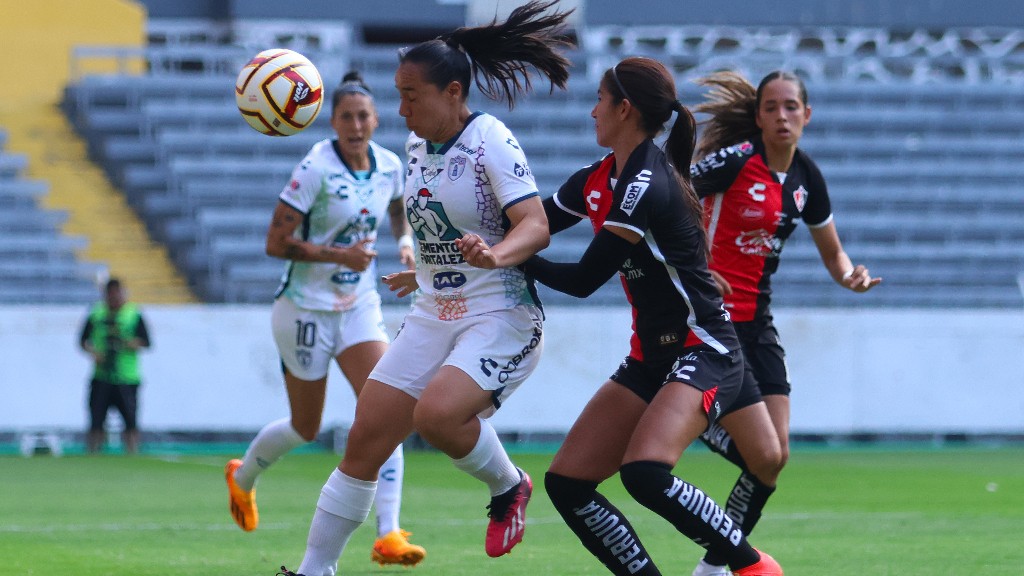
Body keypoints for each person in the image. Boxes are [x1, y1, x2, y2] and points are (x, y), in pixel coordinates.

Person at [277, 2, 572, 574]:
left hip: (499, 312)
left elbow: (533, 225)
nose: (401, 107)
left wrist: (495, 254)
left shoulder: (490, 138)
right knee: (364, 440)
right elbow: (441, 226)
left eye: (412, 94)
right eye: (399, 92)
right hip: (435, 307)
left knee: (438, 417)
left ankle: (509, 485)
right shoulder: (416, 148)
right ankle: (314, 571)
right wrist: (426, 270)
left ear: (453, 92)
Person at [520, 57, 784, 575]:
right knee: (568, 483)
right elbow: (531, 223)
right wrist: (469, 245)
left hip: (703, 350)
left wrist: (514, 260)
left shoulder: (644, 181)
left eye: (599, 99)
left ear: (624, 108)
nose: (591, 111)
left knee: (645, 472)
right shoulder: (595, 179)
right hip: (652, 356)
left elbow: (582, 280)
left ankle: (754, 568)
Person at [223, 71, 423, 566]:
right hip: (304, 309)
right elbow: (275, 244)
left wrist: (403, 245)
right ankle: (242, 477)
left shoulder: (390, 165)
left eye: (363, 115)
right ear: (331, 121)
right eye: (346, 117)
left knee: (389, 409)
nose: (356, 124)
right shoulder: (315, 167)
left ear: (375, 119)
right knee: (306, 426)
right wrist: (339, 255)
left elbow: (398, 208)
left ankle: (390, 533)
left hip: (358, 306)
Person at [687, 70, 881, 576]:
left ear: (806, 115)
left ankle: (712, 567)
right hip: (712, 317)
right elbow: (673, 195)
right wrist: (698, 268)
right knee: (762, 456)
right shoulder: (735, 161)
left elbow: (834, 254)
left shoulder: (806, 179)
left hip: (758, 321)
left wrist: (850, 276)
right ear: (757, 117)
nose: (781, 116)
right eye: (771, 107)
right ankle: (693, 420)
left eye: (791, 106)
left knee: (773, 459)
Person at [78, 277, 151, 455]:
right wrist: (94, 353)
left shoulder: (133, 314)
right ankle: (93, 454)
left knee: (130, 420)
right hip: (101, 375)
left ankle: (132, 454)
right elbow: (82, 341)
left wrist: (128, 343)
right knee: (96, 419)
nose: (113, 299)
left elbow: (146, 341)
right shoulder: (96, 313)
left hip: (127, 377)